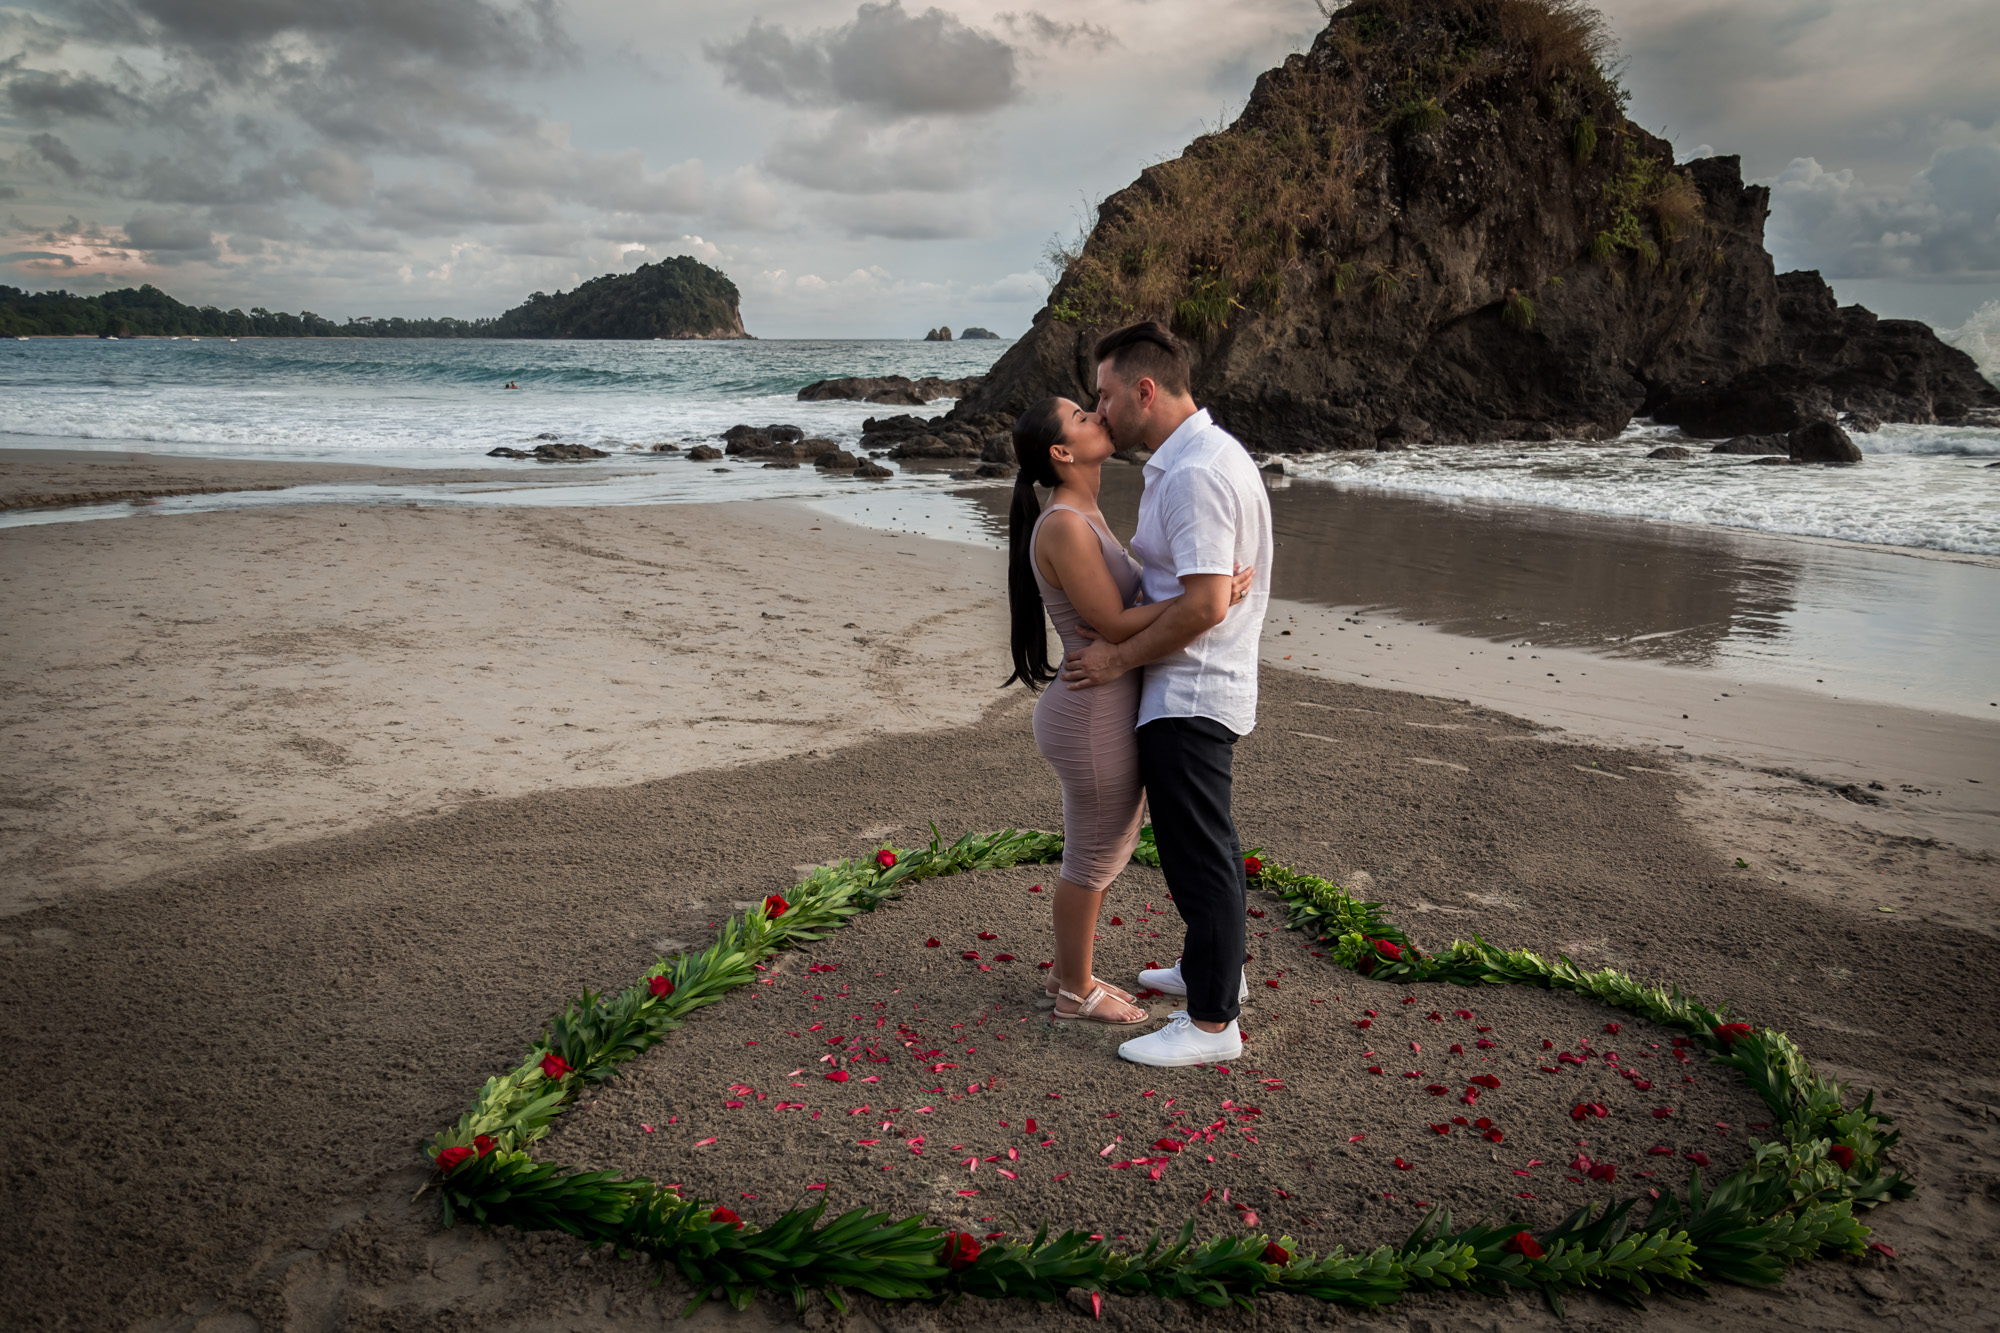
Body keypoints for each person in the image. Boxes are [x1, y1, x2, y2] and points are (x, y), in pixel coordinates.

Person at [1061, 321, 1273, 1067]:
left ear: (1144, 391)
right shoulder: (1198, 458)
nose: (1103, 411)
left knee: (1198, 852)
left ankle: (1214, 1023)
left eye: (1107, 395)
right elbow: (1203, 592)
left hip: (1191, 689)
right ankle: (1210, 970)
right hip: (1196, 683)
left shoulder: (1194, 473)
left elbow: (1205, 602)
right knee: (1201, 843)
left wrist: (1117, 658)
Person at [1005, 397, 1253, 1025]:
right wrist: (1209, 595)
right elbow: (1111, 622)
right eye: (1082, 418)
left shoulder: (1083, 511)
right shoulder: (1063, 522)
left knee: (1104, 850)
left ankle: (1071, 977)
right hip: (1090, 710)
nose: (1098, 417)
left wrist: (1205, 590)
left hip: (1104, 703)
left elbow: (1130, 599)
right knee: (1092, 854)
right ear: (1062, 452)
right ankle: (1075, 993)